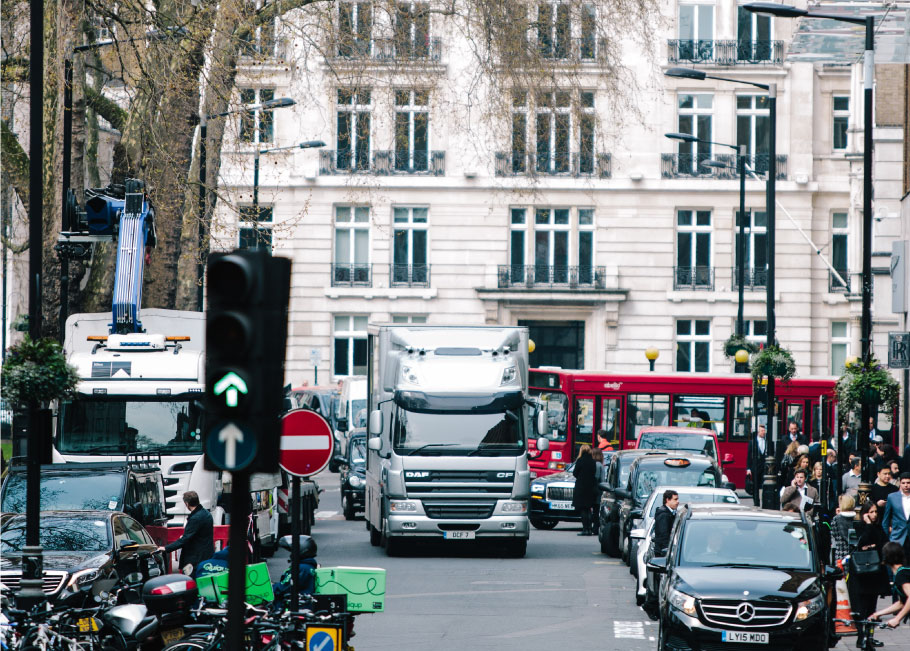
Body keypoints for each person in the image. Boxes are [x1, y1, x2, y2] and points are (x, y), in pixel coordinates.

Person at [851, 500, 891, 645]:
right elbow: (861, 544)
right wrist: (868, 526)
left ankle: (870, 636)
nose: (874, 515)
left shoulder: (878, 527)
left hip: (875, 572)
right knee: (861, 607)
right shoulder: (859, 526)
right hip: (861, 573)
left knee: (872, 607)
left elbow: (883, 544)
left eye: (875, 512)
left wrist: (872, 545)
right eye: (871, 512)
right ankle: (861, 636)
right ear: (864, 514)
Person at [159, 491, 214, 577]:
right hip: (206, 555)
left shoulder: (195, 518)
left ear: (187, 503)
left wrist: (166, 548)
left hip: (196, 558)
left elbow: (185, 539)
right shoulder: (207, 514)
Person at [869, 542, 910, 629]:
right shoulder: (904, 571)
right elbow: (901, 603)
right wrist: (878, 614)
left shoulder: (902, 574)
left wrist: (897, 619)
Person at [272, 535, 319, 607]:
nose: (291, 555)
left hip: (296, 606)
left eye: (293, 551)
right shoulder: (308, 567)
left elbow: (284, 587)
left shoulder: (301, 568)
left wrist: (270, 587)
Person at [881, 471, 910, 557]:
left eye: (908, 483)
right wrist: (887, 539)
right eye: (903, 483)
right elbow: (885, 520)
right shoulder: (892, 497)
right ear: (900, 484)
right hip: (897, 537)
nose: (906, 485)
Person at [572, 445, 598, 536]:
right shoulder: (593, 462)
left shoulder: (580, 461)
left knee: (583, 509)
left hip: (581, 487)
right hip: (591, 487)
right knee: (588, 509)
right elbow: (594, 472)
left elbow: (575, 473)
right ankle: (589, 529)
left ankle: (585, 529)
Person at [747, 423, 769, 506]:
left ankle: (764, 502)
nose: (764, 432)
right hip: (755, 467)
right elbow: (749, 456)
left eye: (764, 431)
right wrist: (748, 469)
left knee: (764, 486)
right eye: (762, 431)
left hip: (764, 467)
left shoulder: (767, 441)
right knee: (755, 486)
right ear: (758, 432)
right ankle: (756, 503)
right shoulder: (752, 442)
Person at [830, 494, 856, 565]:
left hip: (840, 554)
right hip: (854, 553)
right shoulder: (856, 519)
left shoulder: (836, 519)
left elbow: (834, 535)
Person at [653, 490, 679, 557]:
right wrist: (666, 551)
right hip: (663, 553)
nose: (677, 502)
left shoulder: (670, 513)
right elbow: (664, 535)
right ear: (667, 500)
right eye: (675, 499)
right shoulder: (664, 515)